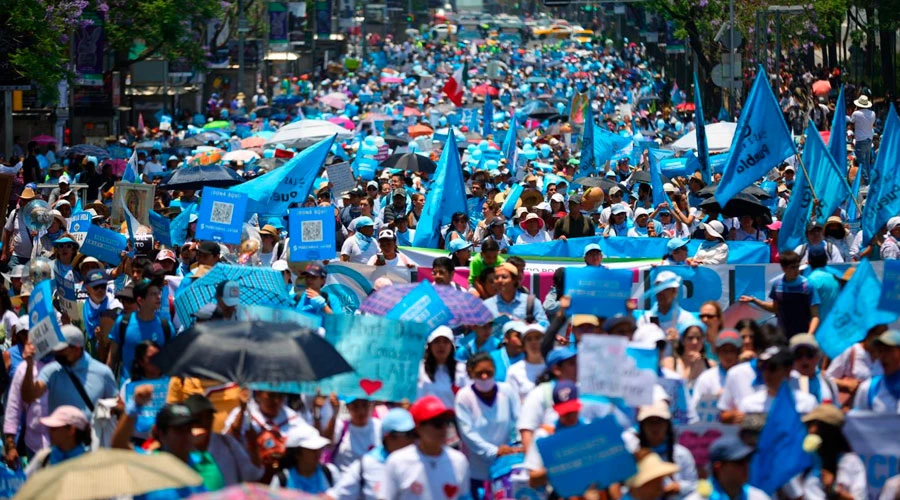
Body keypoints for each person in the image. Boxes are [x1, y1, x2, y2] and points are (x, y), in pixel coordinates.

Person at [454, 353, 521, 493]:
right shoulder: (464, 396)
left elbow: (519, 419)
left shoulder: (507, 391)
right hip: (477, 471)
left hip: (506, 465)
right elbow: (467, 433)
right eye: (479, 373)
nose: (484, 376)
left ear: (495, 371)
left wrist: (519, 445)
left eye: (488, 372)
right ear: (471, 373)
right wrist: (494, 451)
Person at [381, 395, 470, 499]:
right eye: (437, 423)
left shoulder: (459, 461)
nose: (443, 429)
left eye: (446, 422)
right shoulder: (397, 462)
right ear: (419, 428)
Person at [22, 324, 118, 418]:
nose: (56, 353)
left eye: (61, 350)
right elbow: (29, 397)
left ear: (76, 350)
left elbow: (115, 407)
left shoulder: (103, 373)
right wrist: (29, 365)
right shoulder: (51, 371)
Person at [223, 390, 316, 482]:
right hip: (250, 479)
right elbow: (226, 441)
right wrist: (243, 409)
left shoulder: (292, 418)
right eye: (271, 396)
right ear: (259, 394)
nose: (276, 400)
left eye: (280, 396)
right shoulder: (244, 413)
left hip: (282, 479)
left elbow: (314, 442)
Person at [324, 408, 417, 500]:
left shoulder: (420, 462)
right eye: (408, 435)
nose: (413, 440)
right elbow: (334, 496)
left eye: (414, 434)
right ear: (388, 437)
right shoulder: (366, 465)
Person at [184, 394, 262, 486]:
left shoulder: (227, 443)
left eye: (208, 416)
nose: (204, 421)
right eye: (197, 418)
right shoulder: (179, 449)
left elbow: (252, 474)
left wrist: (253, 447)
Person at [740, 250, 820, 338]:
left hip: (802, 337)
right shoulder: (777, 285)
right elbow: (775, 308)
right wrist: (754, 301)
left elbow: (815, 316)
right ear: (783, 268)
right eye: (793, 267)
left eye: (797, 266)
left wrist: (809, 335)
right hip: (782, 337)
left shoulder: (807, 286)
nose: (796, 270)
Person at [106, 278, 172, 383]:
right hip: (128, 392)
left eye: (159, 293)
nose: (159, 297)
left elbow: (171, 361)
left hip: (158, 391)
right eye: (153, 294)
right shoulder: (123, 323)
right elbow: (112, 357)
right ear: (140, 300)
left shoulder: (166, 326)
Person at [800, 404, 867, 500]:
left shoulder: (850, 462)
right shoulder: (806, 459)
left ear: (827, 430)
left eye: (813, 425)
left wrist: (833, 489)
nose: (810, 431)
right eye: (808, 426)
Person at [632, 401, 697, 498]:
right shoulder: (634, 455)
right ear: (642, 426)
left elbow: (693, 485)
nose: (654, 427)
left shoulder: (682, 454)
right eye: (650, 422)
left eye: (659, 421)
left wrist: (678, 487)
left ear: (667, 425)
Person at [683, 436, 770, 500]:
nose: (746, 466)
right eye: (738, 462)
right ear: (718, 467)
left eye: (747, 460)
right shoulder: (698, 498)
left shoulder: (758, 497)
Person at [737, 346, 817, 414]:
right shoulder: (750, 405)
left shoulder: (807, 404)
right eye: (763, 367)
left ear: (788, 370)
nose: (766, 373)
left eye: (772, 368)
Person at [23, 405, 91, 476]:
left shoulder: (90, 462)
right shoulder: (44, 457)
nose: (49, 432)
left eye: (54, 428)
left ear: (71, 430)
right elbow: (24, 482)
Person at [271, 426, 338, 493]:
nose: (318, 452)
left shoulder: (330, 472)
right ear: (297, 453)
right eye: (312, 449)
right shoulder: (281, 480)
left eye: (319, 448)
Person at [324, 398, 382, 473]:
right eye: (355, 406)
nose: (361, 411)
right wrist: (334, 414)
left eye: (365, 405)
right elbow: (328, 444)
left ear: (372, 405)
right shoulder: (341, 426)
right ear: (348, 407)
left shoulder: (380, 427)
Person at [691, 330, 743, 411]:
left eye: (732, 350)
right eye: (724, 351)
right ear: (717, 351)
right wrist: (714, 400)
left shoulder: (747, 375)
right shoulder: (706, 378)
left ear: (738, 352)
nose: (728, 355)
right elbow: (695, 407)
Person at [483, 263, 548, 326]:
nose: (499, 280)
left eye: (504, 277)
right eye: (496, 278)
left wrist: (520, 324)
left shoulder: (531, 302)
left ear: (514, 280)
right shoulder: (486, 305)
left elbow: (544, 325)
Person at [852, 330, 900, 413]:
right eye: (880, 351)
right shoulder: (868, 388)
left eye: (888, 350)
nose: (883, 356)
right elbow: (858, 422)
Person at [417, 326, 463, 409]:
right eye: (436, 342)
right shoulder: (419, 369)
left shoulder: (462, 370)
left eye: (445, 342)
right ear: (430, 346)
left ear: (451, 346)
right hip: (426, 420)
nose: (441, 345)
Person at [790, 334, 839, 405]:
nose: (804, 360)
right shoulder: (785, 386)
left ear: (818, 357)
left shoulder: (829, 384)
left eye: (809, 354)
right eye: (798, 355)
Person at [505, 324, 546, 402]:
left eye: (537, 338)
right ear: (524, 345)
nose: (533, 342)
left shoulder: (554, 367)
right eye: (529, 339)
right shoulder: (514, 371)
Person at [1, 187, 37, 268]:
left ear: (33, 201)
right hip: (16, 256)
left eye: (29, 200)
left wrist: (38, 233)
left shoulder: (38, 215)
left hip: (33, 257)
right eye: (24, 200)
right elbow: (7, 231)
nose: (26, 203)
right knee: (13, 277)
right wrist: (4, 252)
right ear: (21, 200)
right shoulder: (14, 213)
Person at [849, 94, 875, 184]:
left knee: (861, 162)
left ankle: (866, 181)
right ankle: (869, 181)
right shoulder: (873, 113)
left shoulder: (856, 113)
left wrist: (855, 110)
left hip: (860, 140)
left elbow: (851, 123)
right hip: (869, 139)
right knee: (867, 162)